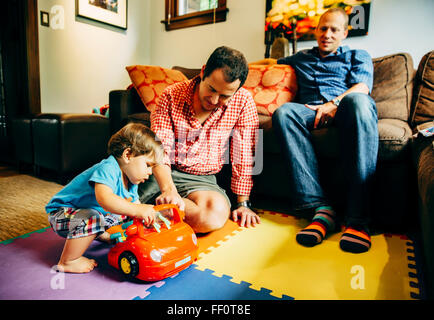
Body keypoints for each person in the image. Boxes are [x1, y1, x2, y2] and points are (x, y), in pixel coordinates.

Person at [255, 8, 377, 253]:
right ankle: (321, 209)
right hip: (310, 111)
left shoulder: (357, 55)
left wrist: (333, 104)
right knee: (285, 112)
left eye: (334, 29)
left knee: (359, 102)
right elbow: (270, 65)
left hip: (345, 108)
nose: (327, 34)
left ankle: (357, 219)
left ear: (344, 33)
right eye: (323, 28)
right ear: (316, 30)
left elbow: (363, 87)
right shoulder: (301, 57)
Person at [139, 46, 261, 233]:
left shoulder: (244, 102)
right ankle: (139, 209)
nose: (213, 100)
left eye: (224, 96)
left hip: (202, 181)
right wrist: (168, 190)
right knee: (105, 195)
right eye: (211, 89)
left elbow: (243, 155)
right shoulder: (171, 95)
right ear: (203, 71)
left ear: (237, 90)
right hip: (161, 171)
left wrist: (243, 203)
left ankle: (140, 213)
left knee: (213, 215)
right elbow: (159, 148)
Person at [45, 123, 163, 273]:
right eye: (148, 165)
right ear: (128, 155)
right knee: (94, 216)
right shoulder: (108, 168)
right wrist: (137, 209)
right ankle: (68, 261)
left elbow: (133, 210)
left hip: (84, 214)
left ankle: (100, 234)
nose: (150, 172)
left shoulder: (132, 182)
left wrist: (151, 219)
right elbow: (105, 200)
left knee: (124, 214)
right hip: (62, 213)